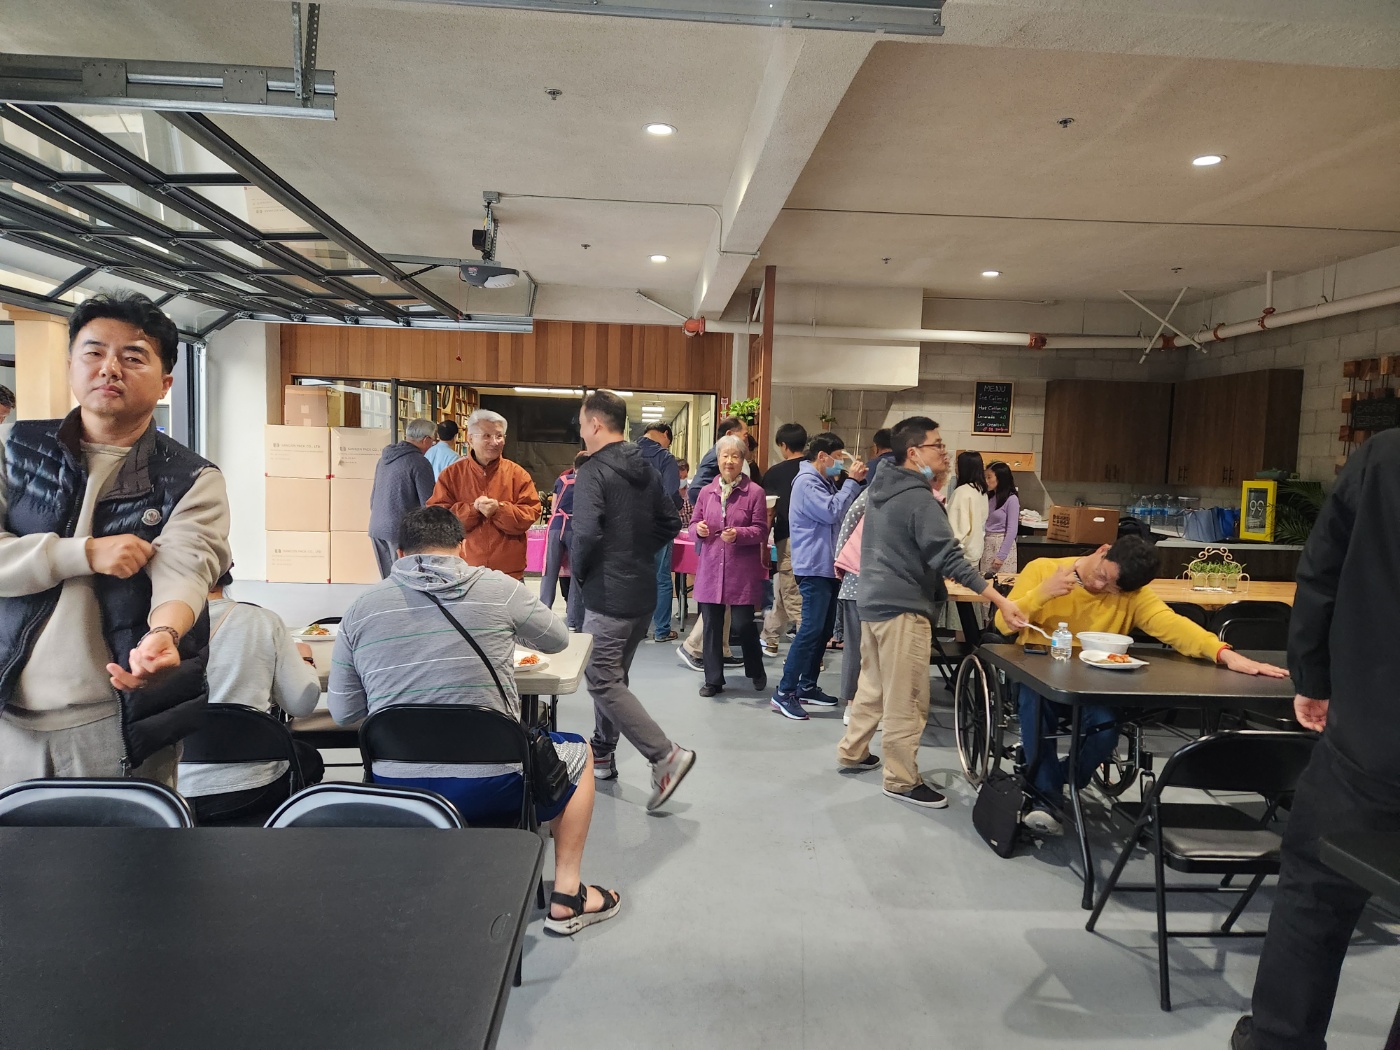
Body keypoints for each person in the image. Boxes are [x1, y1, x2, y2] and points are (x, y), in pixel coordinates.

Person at [329, 507, 618, 935]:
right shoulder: (498, 589)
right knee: (580, 751)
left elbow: (344, 711)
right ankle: (567, 894)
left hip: (398, 788)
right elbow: (558, 639)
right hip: (495, 784)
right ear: (462, 547)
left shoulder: (360, 610)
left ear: (400, 552)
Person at [0, 293, 230, 789]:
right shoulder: (14, 451)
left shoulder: (190, 477)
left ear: (165, 382)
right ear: (71, 365)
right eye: (94, 352)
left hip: (115, 722)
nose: (110, 368)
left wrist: (164, 634)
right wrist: (82, 553)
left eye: (133, 356)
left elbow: (187, 566)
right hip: (6, 717)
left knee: (127, 840)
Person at [1231, 430, 1400, 1050]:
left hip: (1373, 728)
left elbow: (1321, 573)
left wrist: (1313, 678)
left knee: (1315, 896)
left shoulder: (1384, 458)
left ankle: (1280, 1040)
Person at [995, 537, 1287, 835]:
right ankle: (1047, 800)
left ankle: (1055, 778)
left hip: (1094, 684)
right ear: (1102, 549)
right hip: (1037, 675)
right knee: (1036, 709)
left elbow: (1172, 625)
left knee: (1106, 729)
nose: (1100, 586)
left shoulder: (1132, 594)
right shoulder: (1043, 569)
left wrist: (1224, 654)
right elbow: (1003, 624)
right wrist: (1042, 593)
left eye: (1113, 588)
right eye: (1102, 575)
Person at [839, 417, 1026, 808]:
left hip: (872, 602)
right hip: (902, 608)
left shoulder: (882, 488)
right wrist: (1000, 599)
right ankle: (901, 780)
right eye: (937, 445)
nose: (944, 452)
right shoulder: (918, 499)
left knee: (873, 685)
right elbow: (949, 558)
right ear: (914, 453)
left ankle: (852, 751)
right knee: (907, 698)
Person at [572, 390, 695, 810]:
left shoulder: (592, 470)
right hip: (641, 592)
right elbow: (670, 521)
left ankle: (664, 755)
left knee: (601, 679)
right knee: (614, 677)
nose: (581, 430)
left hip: (608, 594)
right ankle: (603, 753)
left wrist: (584, 573)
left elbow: (585, 534)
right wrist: (637, 552)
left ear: (595, 424)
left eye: (582, 423)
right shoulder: (647, 466)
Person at [176, 567, 324, 823]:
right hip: (253, 787)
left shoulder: (146, 628)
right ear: (226, 572)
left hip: (168, 790)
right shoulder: (263, 621)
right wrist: (306, 661)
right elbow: (301, 704)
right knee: (310, 759)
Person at [770, 431, 866, 721]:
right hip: (813, 567)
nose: (841, 464)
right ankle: (784, 691)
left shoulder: (824, 481)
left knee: (823, 631)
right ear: (822, 456)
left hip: (827, 566)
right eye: (837, 458)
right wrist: (851, 482)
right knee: (810, 630)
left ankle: (807, 686)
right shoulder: (806, 482)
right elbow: (831, 512)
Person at [689, 434, 768, 697]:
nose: (729, 461)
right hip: (712, 567)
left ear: (743, 460)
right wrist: (699, 530)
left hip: (741, 570)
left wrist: (739, 534)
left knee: (744, 624)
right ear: (718, 459)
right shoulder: (706, 492)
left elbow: (760, 529)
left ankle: (756, 669)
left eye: (735, 456)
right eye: (725, 456)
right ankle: (713, 679)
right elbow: (693, 524)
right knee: (711, 625)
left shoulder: (754, 492)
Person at [428, 408, 541, 580]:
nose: (494, 442)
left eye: (499, 436)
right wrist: (472, 510)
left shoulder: (518, 474)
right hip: (463, 571)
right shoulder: (451, 475)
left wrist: (499, 510)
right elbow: (438, 519)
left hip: (509, 573)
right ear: (470, 439)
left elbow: (530, 513)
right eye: (486, 436)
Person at [760, 422, 808, 657]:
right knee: (785, 588)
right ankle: (769, 637)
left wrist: (763, 545)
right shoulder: (815, 468)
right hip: (815, 541)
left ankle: (811, 654)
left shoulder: (776, 473)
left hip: (788, 539)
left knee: (794, 597)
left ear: (784, 445)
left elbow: (769, 511)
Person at [367, 417, 436, 578]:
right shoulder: (419, 462)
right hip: (401, 530)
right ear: (426, 439)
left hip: (377, 526)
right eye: (433, 441)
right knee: (406, 580)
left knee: (388, 580)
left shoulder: (384, 459)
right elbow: (429, 502)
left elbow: (373, 497)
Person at [637, 422, 681, 643]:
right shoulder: (665, 458)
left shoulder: (626, 453)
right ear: (665, 434)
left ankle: (638, 630)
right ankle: (662, 630)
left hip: (630, 526)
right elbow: (671, 493)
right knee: (661, 578)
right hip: (658, 525)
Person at [939, 451, 988, 637]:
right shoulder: (980, 490)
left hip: (960, 556)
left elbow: (957, 530)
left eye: (957, 465)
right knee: (968, 608)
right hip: (973, 554)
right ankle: (970, 646)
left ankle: (966, 648)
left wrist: (949, 558)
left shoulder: (962, 492)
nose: (955, 469)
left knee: (960, 609)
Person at [539, 451, 587, 632]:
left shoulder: (562, 480)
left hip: (556, 526)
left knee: (549, 573)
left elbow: (553, 508)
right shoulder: (590, 482)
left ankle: (542, 619)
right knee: (576, 575)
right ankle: (573, 621)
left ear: (574, 466)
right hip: (577, 528)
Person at [834, 489, 868, 723]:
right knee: (857, 647)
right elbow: (849, 519)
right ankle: (852, 704)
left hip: (860, 579)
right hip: (860, 578)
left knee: (859, 647)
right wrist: (842, 562)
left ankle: (855, 705)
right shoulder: (875, 492)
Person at [686, 415, 747, 506]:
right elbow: (696, 489)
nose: (746, 440)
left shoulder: (715, 451)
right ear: (729, 434)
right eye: (745, 435)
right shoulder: (717, 454)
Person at [982, 460, 1020, 574]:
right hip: (987, 543)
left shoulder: (1011, 499)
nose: (986, 481)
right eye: (985, 477)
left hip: (1002, 544)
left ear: (1000, 478)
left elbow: (1012, 530)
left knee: (1002, 581)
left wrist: (1001, 556)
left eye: (989, 477)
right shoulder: (989, 497)